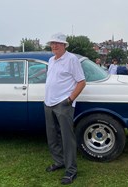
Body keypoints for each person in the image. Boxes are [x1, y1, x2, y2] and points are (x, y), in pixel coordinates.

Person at [44, 33, 86, 185]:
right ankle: (59, 161)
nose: (54, 46)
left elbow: (81, 82)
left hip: (63, 104)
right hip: (48, 103)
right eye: (52, 43)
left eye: (57, 43)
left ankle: (71, 170)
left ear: (64, 45)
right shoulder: (51, 60)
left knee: (67, 137)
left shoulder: (71, 59)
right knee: (52, 136)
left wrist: (69, 100)